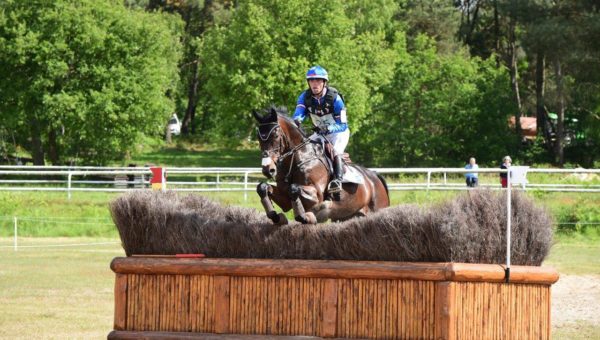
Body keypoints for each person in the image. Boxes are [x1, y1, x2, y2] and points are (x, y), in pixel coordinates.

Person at [292, 65, 349, 196]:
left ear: (324, 82)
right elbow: (299, 113)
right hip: (319, 133)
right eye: (312, 81)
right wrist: (297, 120)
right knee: (302, 148)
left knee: (336, 152)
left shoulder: (335, 98)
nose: (314, 84)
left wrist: (328, 128)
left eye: (318, 81)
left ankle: (337, 181)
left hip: (337, 133)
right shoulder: (304, 97)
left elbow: (343, 124)